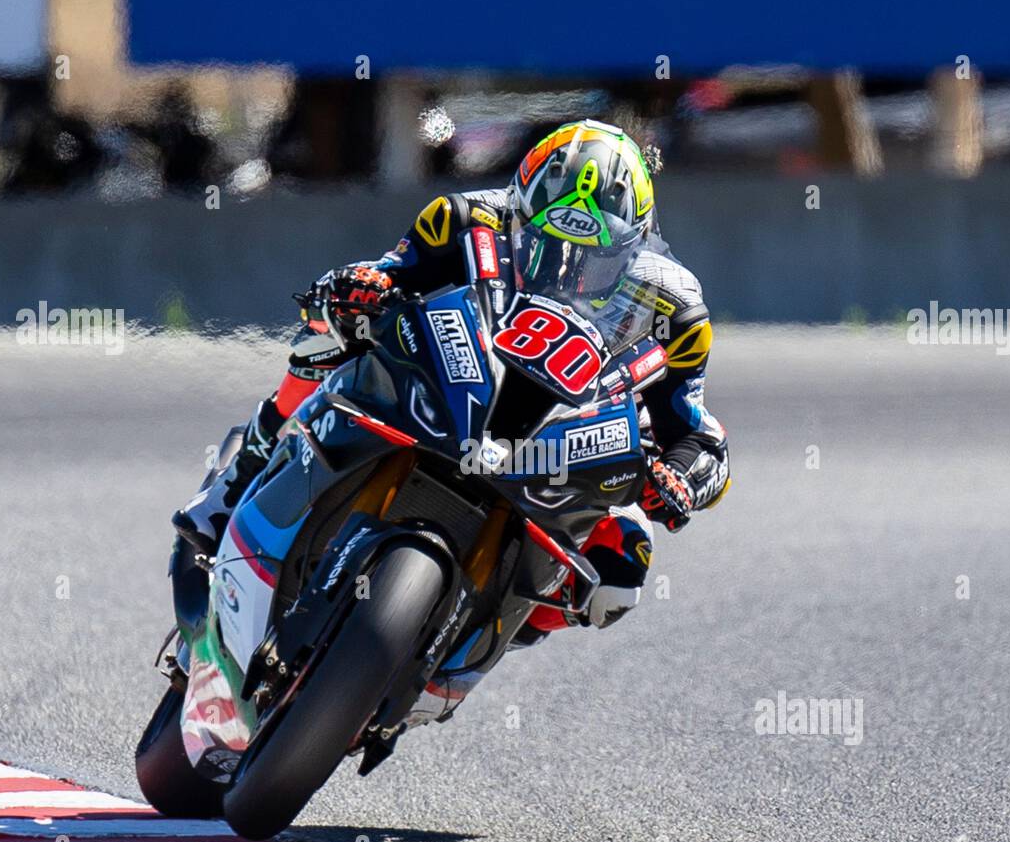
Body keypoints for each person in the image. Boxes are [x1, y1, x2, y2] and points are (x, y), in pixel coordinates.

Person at [174, 119, 729, 656]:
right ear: (521, 212)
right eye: (547, 246)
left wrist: (678, 480)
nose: (566, 271)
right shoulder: (463, 219)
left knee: (624, 563)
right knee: (325, 342)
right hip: (450, 387)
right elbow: (387, 275)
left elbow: (699, 437)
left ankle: (484, 634)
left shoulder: (674, 310)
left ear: (632, 248)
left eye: (591, 261)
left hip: (560, 449)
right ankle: (235, 484)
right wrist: (360, 289)